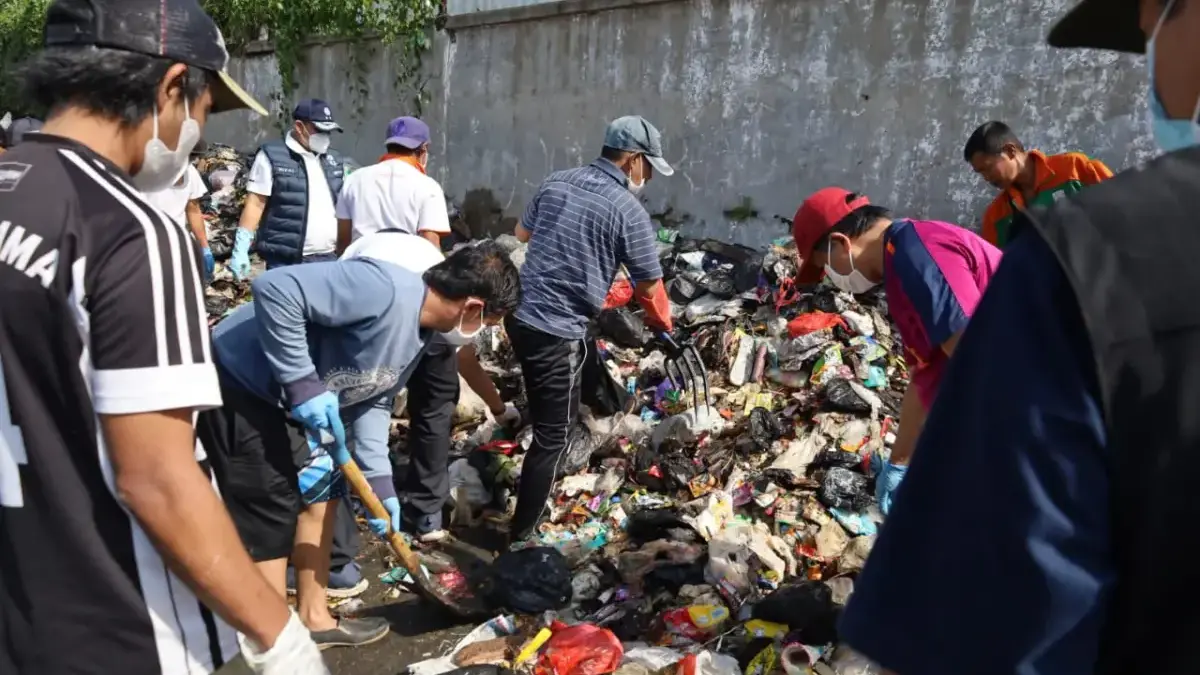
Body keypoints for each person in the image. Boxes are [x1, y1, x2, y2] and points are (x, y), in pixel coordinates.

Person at [838, 0, 1200, 673]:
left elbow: (1020, 609)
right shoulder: (1001, 220)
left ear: (1015, 151)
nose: (988, 181)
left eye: (1150, 30)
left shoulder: (1078, 213)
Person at [0, 0, 328, 673]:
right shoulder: (129, 231)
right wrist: (280, 636)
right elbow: (157, 478)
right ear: (173, 86)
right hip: (119, 625)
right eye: (206, 109)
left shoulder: (14, 193)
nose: (199, 133)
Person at [196, 241, 520, 649]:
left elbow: (374, 398)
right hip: (244, 385)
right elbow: (275, 288)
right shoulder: (382, 288)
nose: (487, 331)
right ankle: (271, 642)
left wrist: (381, 486)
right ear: (473, 307)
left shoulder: (421, 334)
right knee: (271, 511)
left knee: (325, 494)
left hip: (301, 402)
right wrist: (302, 382)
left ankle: (315, 619)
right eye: (491, 320)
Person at [507, 115, 675, 543]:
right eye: (649, 167)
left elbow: (521, 234)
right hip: (554, 330)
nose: (648, 176)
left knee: (585, 357)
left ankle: (593, 404)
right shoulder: (628, 211)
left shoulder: (556, 181)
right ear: (634, 161)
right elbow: (650, 288)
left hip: (519, 316)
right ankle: (521, 535)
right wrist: (664, 328)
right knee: (553, 437)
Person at [791, 188, 1001, 513]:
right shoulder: (900, 269)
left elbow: (978, 352)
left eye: (826, 266)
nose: (833, 280)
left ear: (841, 244)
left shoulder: (919, 250)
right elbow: (925, 374)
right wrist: (898, 463)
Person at [229, 98, 346, 278]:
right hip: (286, 262)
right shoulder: (272, 156)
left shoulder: (334, 160)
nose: (325, 137)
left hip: (329, 259)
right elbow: (255, 204)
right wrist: (241, 248)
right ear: (299, 127)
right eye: (320, 130)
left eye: (329, 131)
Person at [964, 120, 1114, 246]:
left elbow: (1123, 209)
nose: (986, 178)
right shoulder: (996, 217)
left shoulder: (1075, 169)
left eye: (988, 168)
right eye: (981, 173)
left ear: (1010, 151)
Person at [335, 116, 451, 253]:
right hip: (402, 269)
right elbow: (431, 245)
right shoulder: (428, 187)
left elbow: (343, 241)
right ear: (424, 149)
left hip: (358, 265)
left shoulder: (354, 180)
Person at [142, 162, 213, 279]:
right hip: (145, 244)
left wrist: (204, 247)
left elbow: (193, 210)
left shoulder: (190, 171)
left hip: (175, 243)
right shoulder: (142, 172)